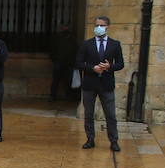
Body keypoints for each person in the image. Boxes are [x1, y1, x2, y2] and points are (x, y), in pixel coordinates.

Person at [76, 16, 124, 151]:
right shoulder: (86, 44)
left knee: (110, 115)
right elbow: (78, 62)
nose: (98, 28)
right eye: (97, 25)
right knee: (89, 114)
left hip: (106, 84)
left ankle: (114, 141)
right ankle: (90, 139)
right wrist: (92, 68)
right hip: (90, 84)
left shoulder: (115, 44)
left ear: (108, 27)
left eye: (101, 25)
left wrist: (109, 66)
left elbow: (120, 64)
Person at [49, 24, 77, 101]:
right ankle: (53, 95)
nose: (65, 29)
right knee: (56, 80)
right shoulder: (57, 39)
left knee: (68, 81)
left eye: (67, 27)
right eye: (64, 27)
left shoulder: (73, 39)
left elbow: (76, 51)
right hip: (59, 63)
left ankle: (69, 95)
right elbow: (52, 50)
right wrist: (55, 60)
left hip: (69, 64)